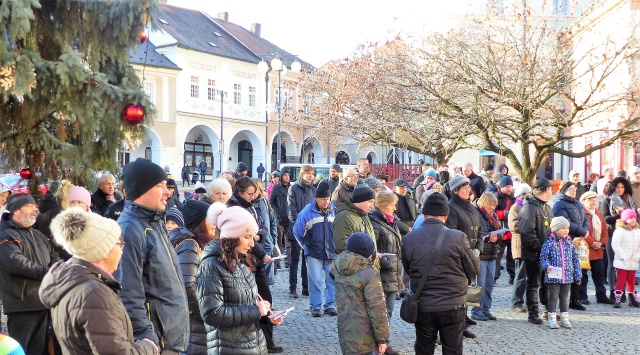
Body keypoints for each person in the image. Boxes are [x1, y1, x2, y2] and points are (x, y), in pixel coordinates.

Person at [40, 209, 158, 354]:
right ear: (103, 251)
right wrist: (149, 346)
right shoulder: (94, 294)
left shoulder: (72, 281)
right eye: (119, 244)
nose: (122, 251)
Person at [114, 158, 189, 354]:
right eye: (160, 186)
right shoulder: (130, 229)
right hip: (158, 344)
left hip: (169, 339)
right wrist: (148, 339)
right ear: (141, 189)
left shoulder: (154, 223)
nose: (167, 192)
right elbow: (128, 293)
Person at [196, 206, 285, 354]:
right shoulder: (211, 266)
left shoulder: (242, 264)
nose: (252, 244)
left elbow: (245, 307)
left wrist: (268, 317)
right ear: (232, 237)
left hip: (253, 347)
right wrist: (256, 310)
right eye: (247, 237)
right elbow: (212, 313)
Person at [402, 193, 480, 354]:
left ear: (424, 215)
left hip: (423, 305)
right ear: (446, 216)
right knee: (452, 349)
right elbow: (474, 269)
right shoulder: (457, 237)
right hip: (453, 304)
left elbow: (408, 269)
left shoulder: (409, 239)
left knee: (424, 349)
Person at [0, 194, 61, 353]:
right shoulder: (5, 235)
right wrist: (48, 273)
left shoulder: (38, 234)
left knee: (38, 349)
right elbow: (15, 263)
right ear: (16, 210)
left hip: (42, 302)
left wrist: (54, 270)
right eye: (30, 205)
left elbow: (54, 255)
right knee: (20, 350)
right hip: (21, 306)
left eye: (35, 205)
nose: (36, 208)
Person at [170, 200, 223, 354]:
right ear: (198, 223)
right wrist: (207, 313)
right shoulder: (190, 244)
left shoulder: (195, 242)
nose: (214, 224)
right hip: (193, 324)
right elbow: (188, 284)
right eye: (209, 219)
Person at [332, 232, 389, 355]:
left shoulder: (337, 268)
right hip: (365, 337)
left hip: (345, 333)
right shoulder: (370, 275)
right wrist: (382, 339)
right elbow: (377, 309)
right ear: (369, 254)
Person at [293, 181, 337, 317]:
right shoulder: (307, 212)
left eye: (328, 199)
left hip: (330, 252)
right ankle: (315, 306)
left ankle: (330, 305)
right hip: (313, 252)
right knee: (315, 281)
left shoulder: (333, 210)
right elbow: (297, 232)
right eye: (323, 199)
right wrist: (305, 247)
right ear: (316, 199)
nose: (326, 202)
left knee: (331, 280)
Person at [368, 190, 403, 355]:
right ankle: (379, 345)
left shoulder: (392, 221)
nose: (395, 208)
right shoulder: (374, 222)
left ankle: (384, 344)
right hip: (381, 273)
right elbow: (371, 251)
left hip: (393, 272)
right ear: (382, 206)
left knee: (388, 311)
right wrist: (384, 259)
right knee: (380, 313)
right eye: (392, 205)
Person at [519, 178, 555, 325]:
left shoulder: (546, 207)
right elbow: (527, 233)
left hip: (546, 253)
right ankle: (533, 312)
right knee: (534, 283)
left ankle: (548, 310)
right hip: (533, 254)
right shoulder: (529, 208)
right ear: (546, 190)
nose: (552, 191)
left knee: (547, 283)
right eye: (551, 189)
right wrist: (542, 249)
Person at [551, 181, 589, 311]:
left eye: (574, 188)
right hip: (567, 240)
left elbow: (585, 218)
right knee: (569, 269)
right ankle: (564, 300)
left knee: (579, 269)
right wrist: (582, 231)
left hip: (579, 240)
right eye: (570, 189)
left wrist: (586, 229)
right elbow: (565, 222)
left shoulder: (577, 202)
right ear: (564, 190)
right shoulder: (559, 204)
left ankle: (575, 298)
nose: (573, 191)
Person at [540, 217, 582, 329]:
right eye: (563, 228)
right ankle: (552, 318)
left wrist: (578, 276)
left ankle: (564, 318)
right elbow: (544, 258)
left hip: (568, 276)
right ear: (555, 229)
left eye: (567, 228)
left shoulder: (570, 243)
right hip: (554, 276)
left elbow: (575, 260)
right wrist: (546, 266)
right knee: (553, 297)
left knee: (564, 298)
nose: (566, 230)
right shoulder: (549, 243)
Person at [602, 177, 636, 301]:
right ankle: (613, 291)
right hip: (613, 234)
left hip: (628, 236)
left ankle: (625, 292)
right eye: (618, 187)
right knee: (612, 263)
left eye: (622, 187)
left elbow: (634, 217)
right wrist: (620, 216)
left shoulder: (630, 201)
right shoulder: (608, 201)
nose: (620, 190)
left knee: (626, 265)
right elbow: (605, 218)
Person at [579, 191, 613, 305]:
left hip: (598, 249)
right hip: (585, 248)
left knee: (599, 274)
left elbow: (604, 230)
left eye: (595, 201)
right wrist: (592, 242)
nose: (594, 203)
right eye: (591, 200)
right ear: (584, 201)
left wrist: (602, 243)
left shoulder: (598, 213)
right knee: (583, 274)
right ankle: (582, 296)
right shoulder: (581, 213)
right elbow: (582, 231)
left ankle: (601, 295)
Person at [471, 192, 501, 322]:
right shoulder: (475, 213)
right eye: (490, 204)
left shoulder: (493, 215)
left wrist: (498, 236)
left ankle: (486, 309)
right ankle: (476, 310)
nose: (492, 207)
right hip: (481, 254)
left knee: (489, 283)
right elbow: (477, 233)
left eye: (494, 205)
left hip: (492, 253)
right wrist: (489, 237)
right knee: (480, 283)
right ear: (484, 202)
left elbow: (499, 231)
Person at [287, 165, 316, 298]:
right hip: (296, 229)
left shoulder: (313, 190)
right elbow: (291, 209)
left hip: (309, 230)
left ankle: (306, 286)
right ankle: (292, 288)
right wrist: (299, 225)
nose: (310, 176)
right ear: (302, 174)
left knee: (306, 260)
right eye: (308, 173)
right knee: (295, 259)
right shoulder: (293, 188)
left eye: (312, 173)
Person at [508, 183, 532, 313]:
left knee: (529, 276)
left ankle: (529, 302)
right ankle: (516, 302)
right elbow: (514, 226)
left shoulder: (528, 207)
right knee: (520, 275)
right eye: (528, 194)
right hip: (520, 245)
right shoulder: (515, 208)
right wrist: (529, 224)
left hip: (529, 245)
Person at [610, 208, 640, 308]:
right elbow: (615, 244)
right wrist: (623, 256)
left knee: (631, 280)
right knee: (621, 280)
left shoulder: (637, 231)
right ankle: (617, 298)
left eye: (634, 218)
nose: (633, 220)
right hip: (622, 260)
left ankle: (633, 299)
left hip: (634, 260)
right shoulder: (620, 231)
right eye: (630, 218)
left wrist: (638, 256)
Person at [494, 175, 516, 283]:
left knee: (512, 257)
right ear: (501, 187)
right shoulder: (496, 198)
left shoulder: (514, 199)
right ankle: (494, 278)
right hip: (501, 232)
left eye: (510, 186)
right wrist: (504, 214)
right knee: (497, 257)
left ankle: (513, 277)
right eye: (507, 186)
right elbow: (492, 213)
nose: (509, 188)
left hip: (512, 232)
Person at [270, 168, 292, 267]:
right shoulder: (276, 188)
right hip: (279, 219)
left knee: (289, 242)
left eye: (288, 175)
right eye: (285, 175)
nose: (287, 177)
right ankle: (278, 262)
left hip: (289, 218)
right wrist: (277, 213)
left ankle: (288, 262)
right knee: (278, 240)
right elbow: (271, 202)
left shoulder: (292, 188)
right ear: (281, 176)